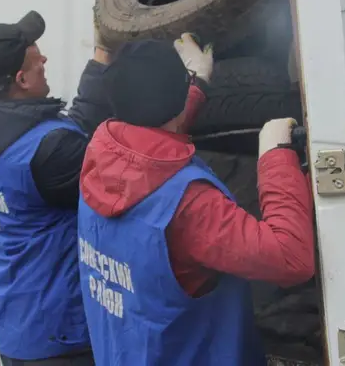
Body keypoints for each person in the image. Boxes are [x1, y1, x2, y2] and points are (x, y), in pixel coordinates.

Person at [77, 36, 315, 366]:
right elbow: (291, 259)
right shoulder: (188, 203)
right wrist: (276, 154)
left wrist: (196, 82)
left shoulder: (99, 158)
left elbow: (152, 143)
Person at [0, 10, 128, 365]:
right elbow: (126, 173)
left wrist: (102, 55)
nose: (45, 59)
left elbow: (75, 127)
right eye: (37, 60)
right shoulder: (46, 152)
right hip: (61, 337)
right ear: (21, 79)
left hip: (19, 326)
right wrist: (187, 94)